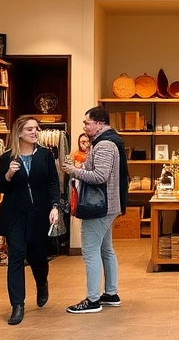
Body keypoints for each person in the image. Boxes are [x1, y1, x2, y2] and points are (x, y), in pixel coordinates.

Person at [0, 115, 62, 325]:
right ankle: (17, 305)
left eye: (37, 129)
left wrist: (55, 207)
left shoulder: (45, 155)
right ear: (19, 132)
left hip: (39, 213)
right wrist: (8, 175)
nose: (35, 132)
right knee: (16, 255)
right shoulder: (7, 158)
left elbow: (53, 183)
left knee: (37, 257)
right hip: (15, 213)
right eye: (30, 129)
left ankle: (42, 283)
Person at [62, 107, 125, 314]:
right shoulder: (107, 141)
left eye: (87, 122)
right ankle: (111, 293)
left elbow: (100, 176)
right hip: (108, 206)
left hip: (100, 207)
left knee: (90, 251)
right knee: (106, 249)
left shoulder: (105, 144)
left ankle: (92, 299)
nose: (84, 126)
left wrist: (74, 171)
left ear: (99, 123)